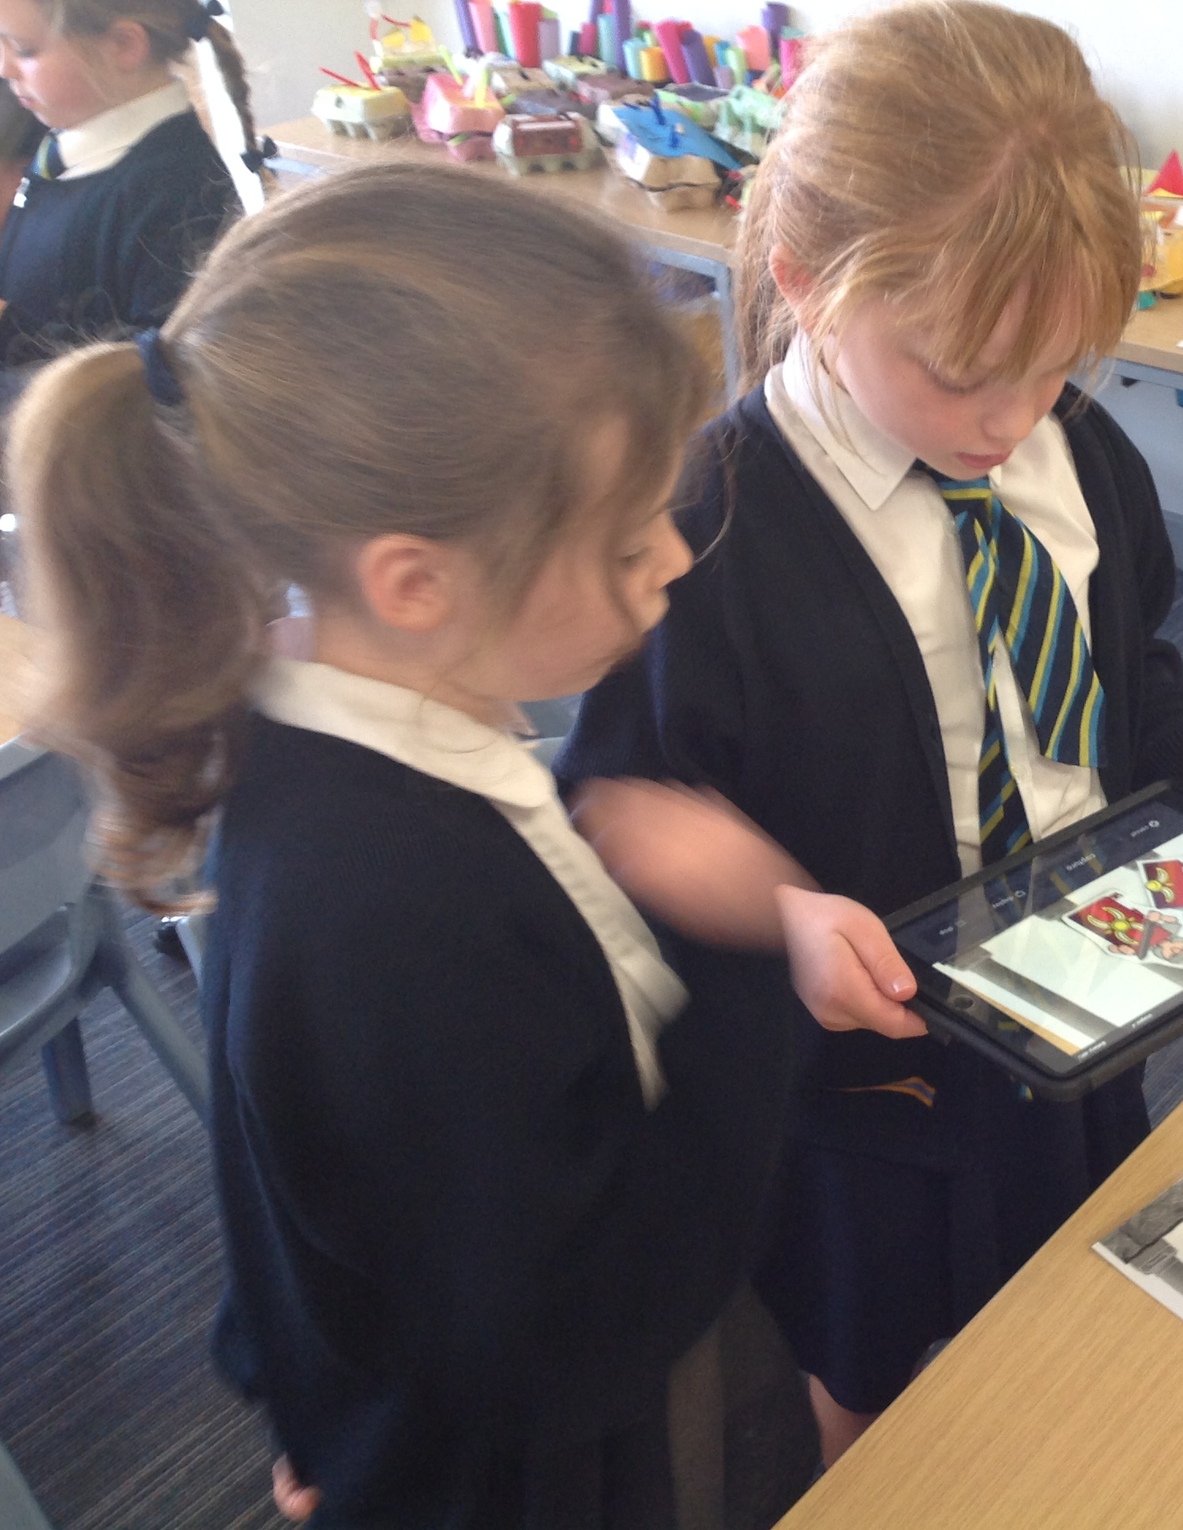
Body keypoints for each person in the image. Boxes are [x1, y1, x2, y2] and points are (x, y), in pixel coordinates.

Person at [12, 163, 916, 1529]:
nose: (675, 561)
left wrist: (290, 1369)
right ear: (417, 583)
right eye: (625, 543)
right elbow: (586, 1318)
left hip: (436, 1392)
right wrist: (734, 958)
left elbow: (303, 1138)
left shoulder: (353, 740)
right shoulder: (388, 902)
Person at [557, 0, 1183, 1467]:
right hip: (863, 1081)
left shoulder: (1080, 455)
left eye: (1054, 367)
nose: (1007, 420)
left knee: (1070, 1297)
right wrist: (783, 914)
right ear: (806, 283)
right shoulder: (704, 528)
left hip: (1081, 1001)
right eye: (959, 372)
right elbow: (616, 803)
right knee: (874, 1366)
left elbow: (1129, 662)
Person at [0, 0, 251, 367]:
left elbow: (155, 376)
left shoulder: (177, 192)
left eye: (24, 50)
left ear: (123, 46)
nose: (4, 67)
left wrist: (10, 329)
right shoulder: (63, 148)